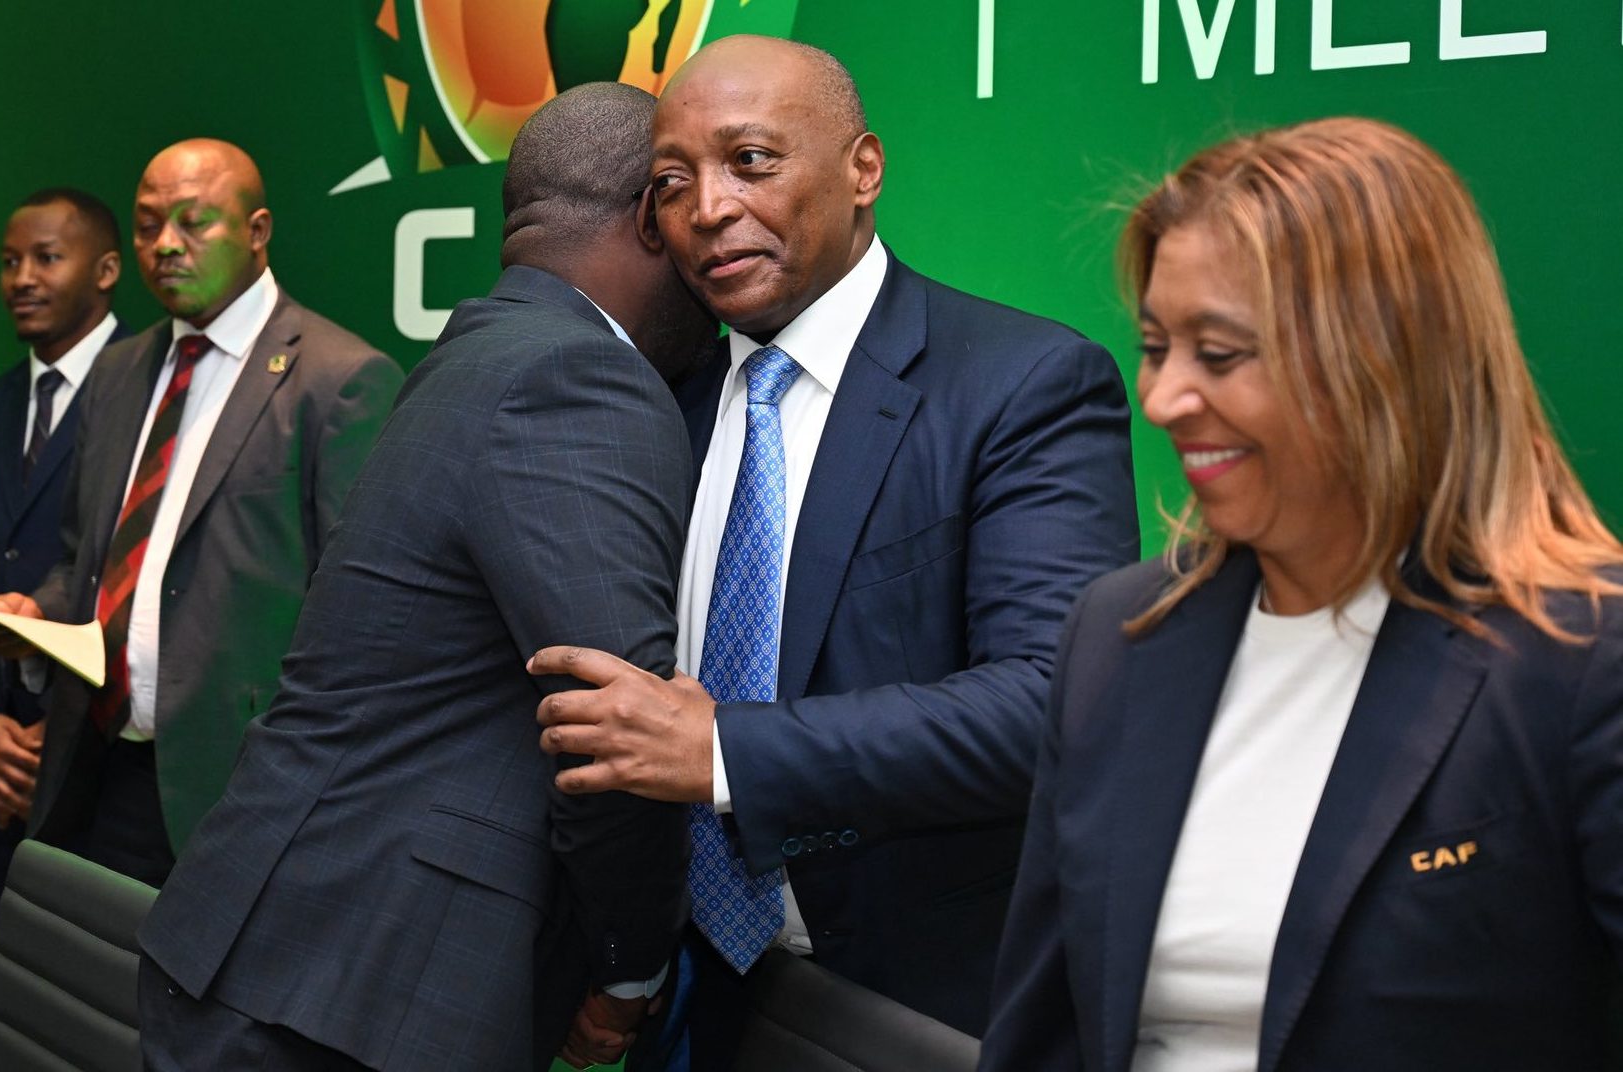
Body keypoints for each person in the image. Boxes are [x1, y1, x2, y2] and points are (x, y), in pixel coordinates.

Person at [528, 34, 1139, 1066]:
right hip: (687, 997)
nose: (708, 208)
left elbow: (1048, 704)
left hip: (912, 1009)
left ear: (864, 169)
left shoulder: (1020, 384)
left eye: (751, 161)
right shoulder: (655, 410)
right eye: (672, 183)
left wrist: (724, 753)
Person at [979, 117, 1623, 1072]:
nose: (1162, 399)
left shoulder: (1582, 657)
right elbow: (1042, 1035)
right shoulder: (1118, 638)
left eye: (1222, 354)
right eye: (1158, 346)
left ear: (1384, 360)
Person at [135, 83, 718, 1071]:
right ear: (648, 220)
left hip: (279, 956)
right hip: (353, 992)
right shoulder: (580, 378)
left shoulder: (476, 350)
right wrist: (628, 968)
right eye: (690, 205)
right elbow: (615, 735)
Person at [0, 139, 402, 886]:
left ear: (258, 231)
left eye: (193, 222)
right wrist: (33, 613)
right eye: (147, 226)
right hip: (95, 774)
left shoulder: (338, 382)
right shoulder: (117, 371)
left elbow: (362, 628)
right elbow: (85, 558)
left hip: (236, 797)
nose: (165, 245)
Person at [0, 187, 123, 1021]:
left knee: (83, 1016)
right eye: (10, 261)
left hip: (96, 766)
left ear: (106, 270)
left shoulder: (146, 392)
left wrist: (62, 733)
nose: (22, 278)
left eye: (47, 257)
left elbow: (137, 581)